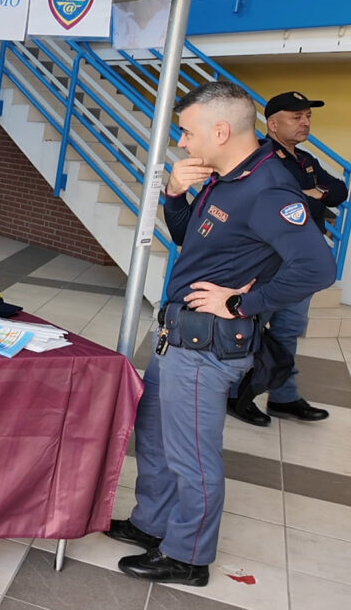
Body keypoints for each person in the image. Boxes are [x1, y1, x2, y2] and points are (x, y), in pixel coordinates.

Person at [105, 81, 334, 586]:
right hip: (180, 334)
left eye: (187, 132)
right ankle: (152, 524)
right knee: (158, 438)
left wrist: (241, 302)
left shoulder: (268, 188)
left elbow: (318, 268)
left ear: (221, 130)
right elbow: (193, 240)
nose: (183, 142)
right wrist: (174, 193)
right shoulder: (226, 177)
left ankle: (188, 555)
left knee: (192, 454)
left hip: (206, 344)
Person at [216, 91, 345, 426]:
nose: (305, 122)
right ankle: (234, 394)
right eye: (296, 116)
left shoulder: (305, 160)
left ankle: (284, 397)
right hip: (267, 260)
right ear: (273, 124)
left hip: (300, 261)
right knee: (249, 326)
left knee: (288, 329)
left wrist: (307, 196)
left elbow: (340, 190)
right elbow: (281, 204)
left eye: (308, 116)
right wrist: (313, 196)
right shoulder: (256, 156)